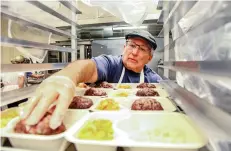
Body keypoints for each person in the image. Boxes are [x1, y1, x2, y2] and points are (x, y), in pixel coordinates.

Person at [21, 30, 162, 129]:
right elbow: (90, 66)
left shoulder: (153, 80)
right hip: (101, 124)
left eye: (142, 49)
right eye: (131, 45)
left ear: (149, 58)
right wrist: (67, 76)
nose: (134, 52)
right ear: (124, 47)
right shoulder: (111, 64)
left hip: (138, 127)